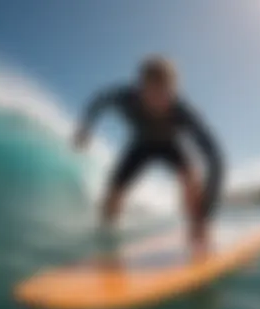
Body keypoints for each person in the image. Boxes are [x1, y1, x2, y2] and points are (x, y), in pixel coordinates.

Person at [73, 56, 224, 261]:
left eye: (165, 94)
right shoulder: (125, 97)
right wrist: (85, 128)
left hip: (171, 147)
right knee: (113, 196)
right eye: (151, 93)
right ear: (140, 88)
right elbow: (99, 101)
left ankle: (199, 232)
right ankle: (105, 242)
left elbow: (215, 158)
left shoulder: (183, 112)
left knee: (191, 180)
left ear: (173, 92)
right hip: (140, 146)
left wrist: (206, 213)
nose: (158, 101)